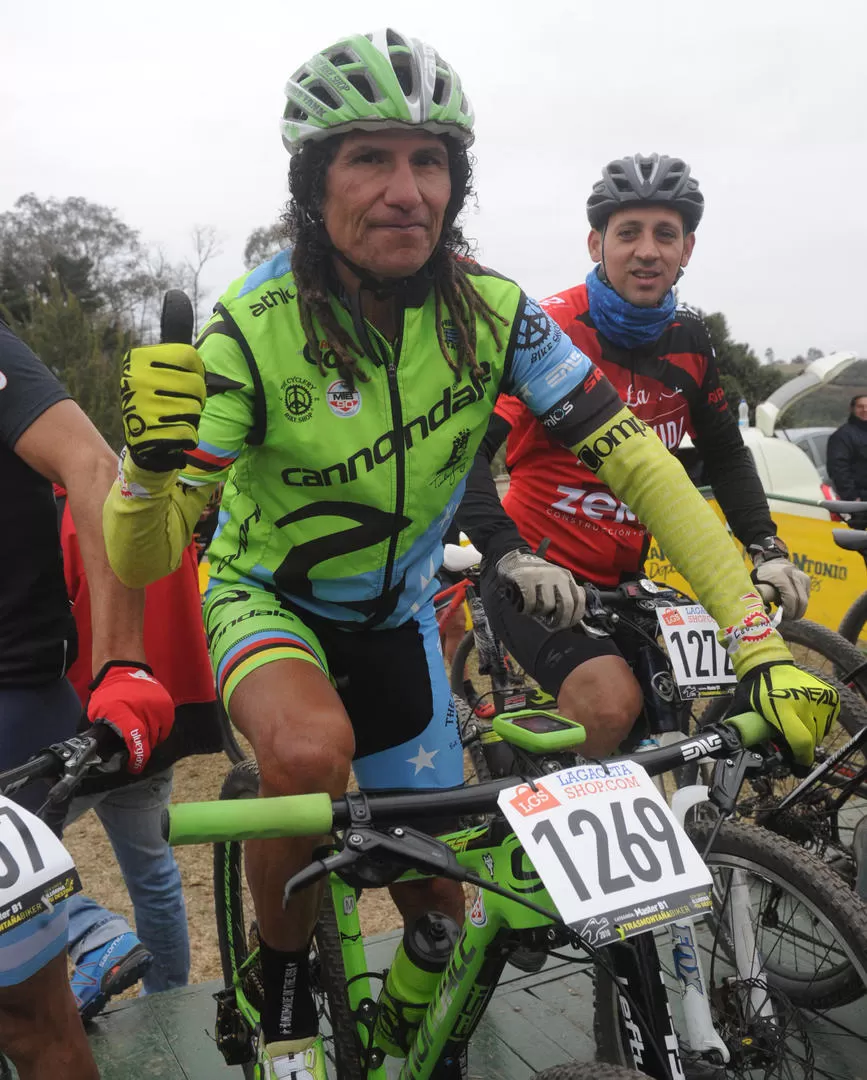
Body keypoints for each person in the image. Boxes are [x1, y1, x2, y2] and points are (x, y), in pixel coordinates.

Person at [102, 33, 837, 1079]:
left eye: (430, 161)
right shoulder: (253, 329)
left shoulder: (494, 314)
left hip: (398, 617)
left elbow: (645, 466)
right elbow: (146, 550)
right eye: (369, 158)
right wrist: (144, 466)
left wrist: (754, 636)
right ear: (314, 185)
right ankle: (280, 981)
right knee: (307, 759)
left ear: (457, 179)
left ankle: (406, 1032)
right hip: (271, 603)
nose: (407, 191)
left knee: (442, 910)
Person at [458, 153, 813, 757]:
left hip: (627, 582)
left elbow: (726, 453)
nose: (647, 250)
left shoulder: (692, 339)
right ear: (596, 243)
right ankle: (514, 813)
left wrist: (766, 545)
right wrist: (507, 554)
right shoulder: (549, 329)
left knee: (661, 731)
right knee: (609, 707)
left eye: (665, 234)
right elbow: (465, 457)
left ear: (688, 249)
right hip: (538, 572)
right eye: (628, 233)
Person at [0, 320, 175, 1080]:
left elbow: (92, 464)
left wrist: (124, 663)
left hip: (16, 691)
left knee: (30, 1021)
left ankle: (83, 930)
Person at [56, 487, 221, 1016]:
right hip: (155, 714)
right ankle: (168, 1004)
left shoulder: (63, 513)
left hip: (87, 718)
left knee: (19, 860)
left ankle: (92, 931)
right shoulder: (147, 499)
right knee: (153, 872)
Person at [827, 395, 867, 534]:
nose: (865, 410)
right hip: (860, 505)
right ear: (852, 409)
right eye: (860, 406)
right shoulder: (843, 436)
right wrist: (852, 498)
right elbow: (838, 469)